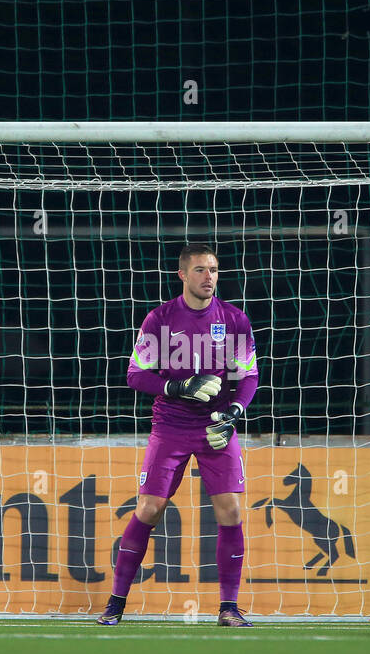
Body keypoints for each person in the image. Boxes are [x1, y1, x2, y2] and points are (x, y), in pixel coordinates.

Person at [96, 243, 259, 627]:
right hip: (170, 426)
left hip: (216, 427)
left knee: (231, 510)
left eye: (214, 270)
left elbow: (248, 375)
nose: (209, 277)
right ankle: (116, 604)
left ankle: (228, 608)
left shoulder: (233, 320)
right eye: (201, 270)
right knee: (149, 509)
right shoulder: (160, 319)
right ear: (182, 275)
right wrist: (177, 387)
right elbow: (136, 374)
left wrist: (234, 411)